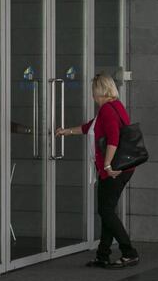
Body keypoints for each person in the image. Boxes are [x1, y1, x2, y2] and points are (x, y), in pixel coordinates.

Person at [56, 74, 139, 269]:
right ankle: (103, 254)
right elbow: (89, 128)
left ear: (100, 90)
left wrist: (108, 166)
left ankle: (129, 252)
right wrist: (65, 131)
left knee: (106, 211)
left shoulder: (108, 110)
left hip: (114, 170)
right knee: (107, 210)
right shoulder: (113, 107)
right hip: (121, 168)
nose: (92, 95)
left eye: (94, 90)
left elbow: (113, 139)